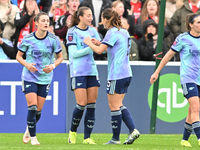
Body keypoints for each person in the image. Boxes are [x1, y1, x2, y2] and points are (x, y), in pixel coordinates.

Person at [84, 8, 140, 145]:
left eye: (103, 18)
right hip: (127, 73)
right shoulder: (124, 31)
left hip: (116, 74)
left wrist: (89, 43)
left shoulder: (111, 32)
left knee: (114, 106)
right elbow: (113, 47)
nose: (101, 21)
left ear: (107, 19)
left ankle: (117, 138)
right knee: (119, 104)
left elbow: (98, 51)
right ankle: (131, 131)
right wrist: (99, 43)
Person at [150, 13, 200, 147]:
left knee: (192, 111)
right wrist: (157, 72)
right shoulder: (182, 38)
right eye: (198, 22)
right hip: (188, 78)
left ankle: (184, 139)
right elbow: (168, 55)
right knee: (196, 109)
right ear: (190, 24)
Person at [16, 12, 63, 145]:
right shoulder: (28, 38)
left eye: (47, 20)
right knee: (32, 106)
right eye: (43, 20)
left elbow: (60, 57)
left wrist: (52, 66)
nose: (46, 23)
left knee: (38, 111)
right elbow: (18, 56)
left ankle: (28, 129)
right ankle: (34, 138)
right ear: (36, 23)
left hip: (45, 77)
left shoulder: (54, 39)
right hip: (29, 76)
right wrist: (27, 65)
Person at [66, 6, 101, 144]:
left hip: (92, 71)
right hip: (78, 72)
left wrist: (98, 45)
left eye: (91, 15)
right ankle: (72, 132)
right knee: (81, 104)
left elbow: (100, 50)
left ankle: (87, 137)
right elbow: (73, 54)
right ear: (80, 17)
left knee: (92, 104)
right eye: (88, 15)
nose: (91, 18)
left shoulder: (93, 31)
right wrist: (89, 46)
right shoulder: (72, 32)